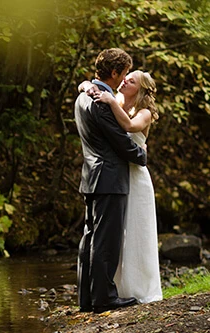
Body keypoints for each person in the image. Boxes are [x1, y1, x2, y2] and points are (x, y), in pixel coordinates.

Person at [74, 48, 147, 314]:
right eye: (124, 73)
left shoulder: (83, 96)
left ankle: (87, 299)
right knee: (106, 240)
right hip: (109, 177)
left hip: (91, 176)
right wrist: (142, 155)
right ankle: (104, 299)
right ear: (114, 73)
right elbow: (120, 141)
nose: (124, 78)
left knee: (90, 238)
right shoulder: (99, 103)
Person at [85, 70, 163, 304]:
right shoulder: (115, 101)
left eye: (132, 81)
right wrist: (84, 85)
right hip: (116, 176)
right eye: (126, 77)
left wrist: (109, 100)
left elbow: (129, 126)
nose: (125, 81)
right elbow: (89, 86)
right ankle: (117, 287)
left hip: (136, 178)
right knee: (116, 234)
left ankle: (140, 288)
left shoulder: (145, 113)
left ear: (139, 89)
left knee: (137, 231)